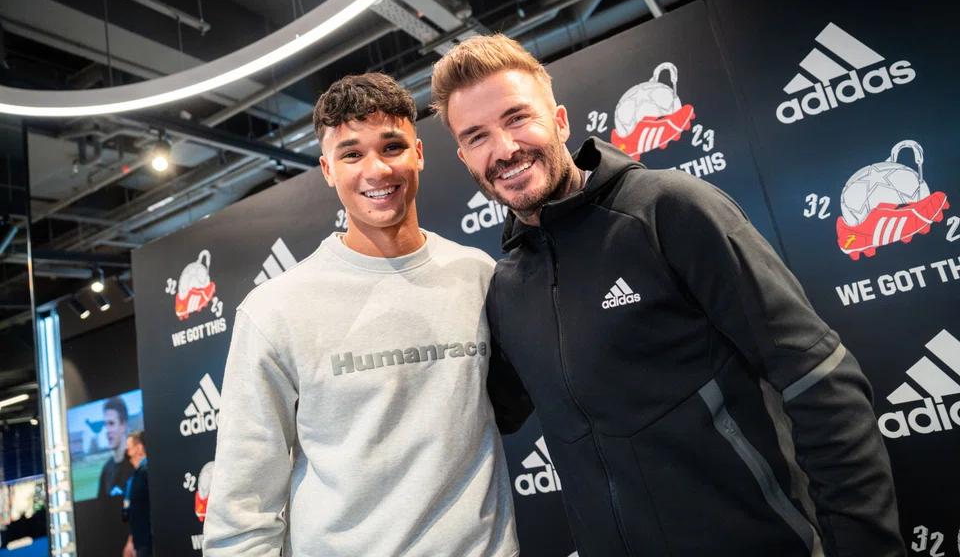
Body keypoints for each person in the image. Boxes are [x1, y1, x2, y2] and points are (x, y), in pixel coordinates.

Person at [430, 33, 906, 557]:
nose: (503, 149)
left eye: (517, 118)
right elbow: (475, 415)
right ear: (463, 157)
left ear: (561, 121)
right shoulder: (507, 285)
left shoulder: (667, 210)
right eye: (477, 137)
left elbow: (819, 380)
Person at [202, 73, 519, 556]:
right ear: (328, 169)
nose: (376, 170)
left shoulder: (479, 275)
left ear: (418, 152)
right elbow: (242, 508)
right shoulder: (275, 311)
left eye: (391, 146)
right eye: (351, 154)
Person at [98, 397, 134, 499]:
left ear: (123, 425)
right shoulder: (106, 470)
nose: (107, 430)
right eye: (105, 424)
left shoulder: (136, 465)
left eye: (111, 424)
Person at [122, 431, 151, 557]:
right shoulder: (135, 477)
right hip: (140, 543)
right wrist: (131, 540)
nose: (128, 453)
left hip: (149, 543)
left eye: (130, 448)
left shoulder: (146, 472)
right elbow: (133, 512)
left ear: (139, 448)